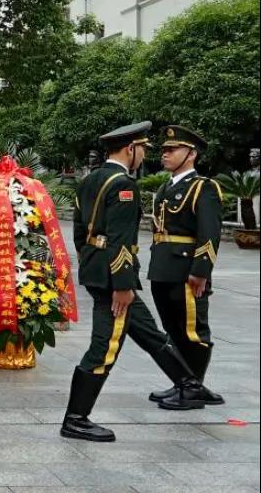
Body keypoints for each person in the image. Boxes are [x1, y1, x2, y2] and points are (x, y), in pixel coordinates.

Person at [61, 122, 206, 444]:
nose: (144, 156)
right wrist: (123, 285)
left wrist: (92, 263)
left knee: (149, 332)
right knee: (105, 345)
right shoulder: (123, 185)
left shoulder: (90, 180)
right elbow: (121, 239)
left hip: (97, 270)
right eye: (143, 149)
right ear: (131, 149)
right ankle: (76, 418)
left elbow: (80, 232)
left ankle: (189, 384)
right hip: (116, 280)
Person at [147, 126, 224, 408]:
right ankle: (183, 382)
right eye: (164, 150)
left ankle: (193, 388)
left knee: (193, 329)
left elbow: (209, 233)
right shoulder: (166, 187)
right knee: (173, 328)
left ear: (191, 154)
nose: (165, 154)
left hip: (186, 270)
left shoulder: (203, 187)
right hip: (163, 268)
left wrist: (201, 270)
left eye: (172, 150)